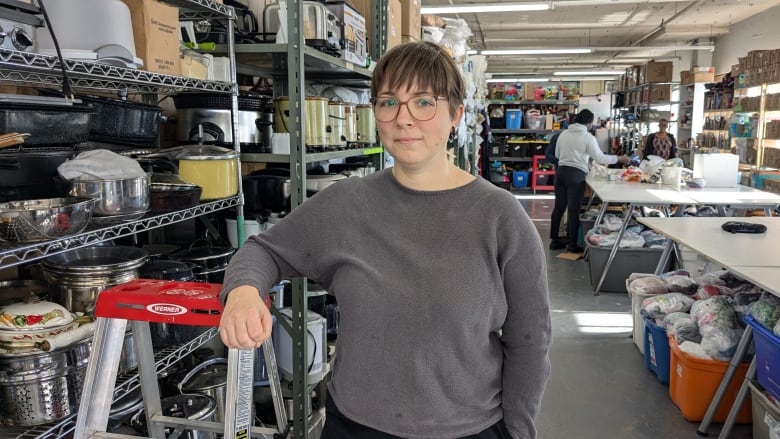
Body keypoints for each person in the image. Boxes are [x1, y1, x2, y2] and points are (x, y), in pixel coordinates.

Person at [218, 41, 551, 439]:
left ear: (456, 115)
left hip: (468, 430)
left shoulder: (501, 217)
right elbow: (263, 250)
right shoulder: (345, 204)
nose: (403, 119)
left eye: (424, 102)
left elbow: (529, 342)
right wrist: (242, 292)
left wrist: (517, 432)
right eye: (389, 102)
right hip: (355, 426)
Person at [549, 109, 630, 253]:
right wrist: (619, 158)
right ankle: (572, 244)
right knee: (574, 211)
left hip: (560, 173)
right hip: (576, 175)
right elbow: (600, 158)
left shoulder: (563, 134)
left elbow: (557, 154)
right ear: (589, 123)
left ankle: (554, 241)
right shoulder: (587, 137)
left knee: (559, 207)